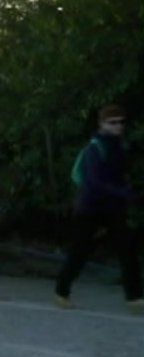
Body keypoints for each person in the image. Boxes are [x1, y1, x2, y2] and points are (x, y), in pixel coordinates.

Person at [55, 105, 142, 311]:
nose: (118, 126)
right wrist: (125, 193)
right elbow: (95, 182)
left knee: (127, 250)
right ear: (102, 124)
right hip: (90, 208)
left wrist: (127, 192)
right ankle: (61, 291)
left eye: (121, 122)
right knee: (80, 252)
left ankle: (135, 298)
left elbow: (119, 176)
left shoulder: (120, 146)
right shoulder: (94, 149)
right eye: (112, 122)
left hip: (113, 208)